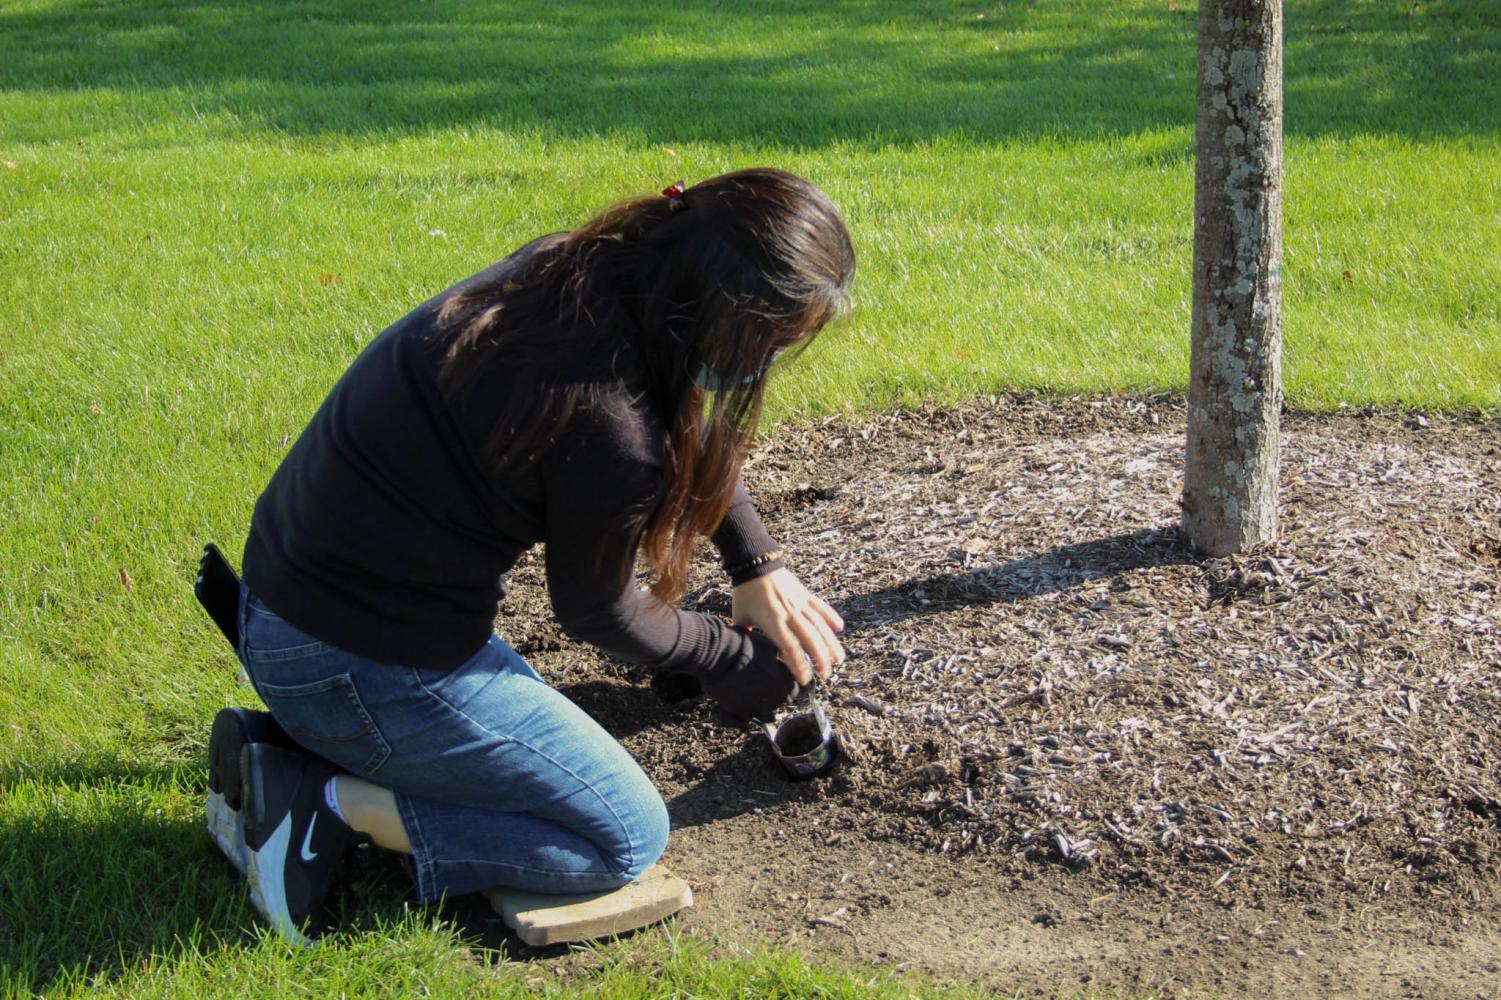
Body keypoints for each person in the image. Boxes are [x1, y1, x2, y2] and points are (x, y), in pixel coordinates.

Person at [207, 168, 856, 945]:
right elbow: (600, 610)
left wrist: (756, 562)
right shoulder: (606, 419)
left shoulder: (573, 273)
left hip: (282, 616)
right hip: (353, 670)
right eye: (763, 348)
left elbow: (682, 416)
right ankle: (323, 804)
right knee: (617, 838)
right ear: (711, 315)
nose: (757, 373)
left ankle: (281, 747)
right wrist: (730, 659)